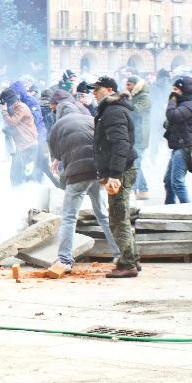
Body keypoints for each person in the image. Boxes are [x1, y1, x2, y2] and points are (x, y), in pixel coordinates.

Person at [48, 96, 120, 272]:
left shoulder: (58, 126)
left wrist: (58, 161)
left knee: (69, 217)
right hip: (98, 172)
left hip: (78, 173)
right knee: (103, 214)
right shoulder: (91, 119)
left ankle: (64, 259)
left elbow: (56, 151)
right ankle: (120, 253)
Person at [91, 77, 140, 278]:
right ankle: (133, 259)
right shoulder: (109, 110)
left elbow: (120, 144)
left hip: (121, 171)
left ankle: (127, 264)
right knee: (121, 217)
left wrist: (114, 174)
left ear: (109, 89)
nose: (94, 92)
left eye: (97, 89)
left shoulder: (113, 111)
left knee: (118, 219)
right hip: (119, 170)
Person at [163, 77, 192, 204]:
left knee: (177, 183)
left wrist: (172, 100)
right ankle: (169, 207)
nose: (173, 92)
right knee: (168, 181)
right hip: (177, 147)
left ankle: (189, 211)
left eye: (175, 90)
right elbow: (171, 120)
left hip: (184, 147)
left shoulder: (189, 105)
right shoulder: (183, 103)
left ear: (183, 91)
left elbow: (173, 116)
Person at [0, 88, 39, 187]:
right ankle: (17, 194)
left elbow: (13, 122)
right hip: (22, 146)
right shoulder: (15, 107)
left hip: (28, 145)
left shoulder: (20, 107)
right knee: (15, 174)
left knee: (25, 174)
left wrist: (4, 112)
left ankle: (27, 194)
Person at [126, 75, 151, 200]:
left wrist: (125, 101)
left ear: (136, 85)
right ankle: (143, 189)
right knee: (137, 163)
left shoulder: (144, 97)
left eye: (129, 85)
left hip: (140, 136)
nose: (127, 87)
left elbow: (134, 111)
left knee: (135, 164)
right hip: (134, 134)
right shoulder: (133, 97)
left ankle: (133, 190)